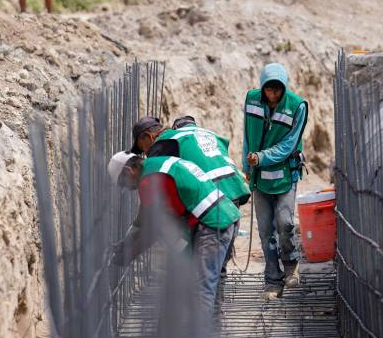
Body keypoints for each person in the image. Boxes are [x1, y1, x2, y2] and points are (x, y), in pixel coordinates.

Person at [108, 151, 239, 310]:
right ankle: (212, 329)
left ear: (129, 171)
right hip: (226, 216)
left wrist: (130, 255)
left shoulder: (148, 182)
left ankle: (203, 334)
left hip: (213, 225)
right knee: (208, 285)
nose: (127, 189)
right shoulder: (157, 164)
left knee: (201, 291)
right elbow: (144, 218)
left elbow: (153, 229)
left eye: (123, 183)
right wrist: (126, 242)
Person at [130, 115, 250, 274]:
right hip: (233, 196)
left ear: (148, 136)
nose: (145, 154)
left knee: (200, 268)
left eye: (143, 148)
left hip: (211, 202)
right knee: (216, 268)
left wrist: (134, 235)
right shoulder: (204, 134)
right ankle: (214, 292)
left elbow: (153, 200)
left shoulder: (162, 145)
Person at [242, 62, 308, 299]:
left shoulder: (297, 106)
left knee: (285, 223)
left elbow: (289, 145)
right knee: (265, 231)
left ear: (283, 87)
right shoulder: (252, 100)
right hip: (260, 178)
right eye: (269, 90)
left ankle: (290, 264)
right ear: (262, 88)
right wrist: (246, 164)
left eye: (277, 90)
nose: (273, 95)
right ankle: (272, 279)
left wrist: (261, 157)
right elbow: (247, 134)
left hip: (285, 175)